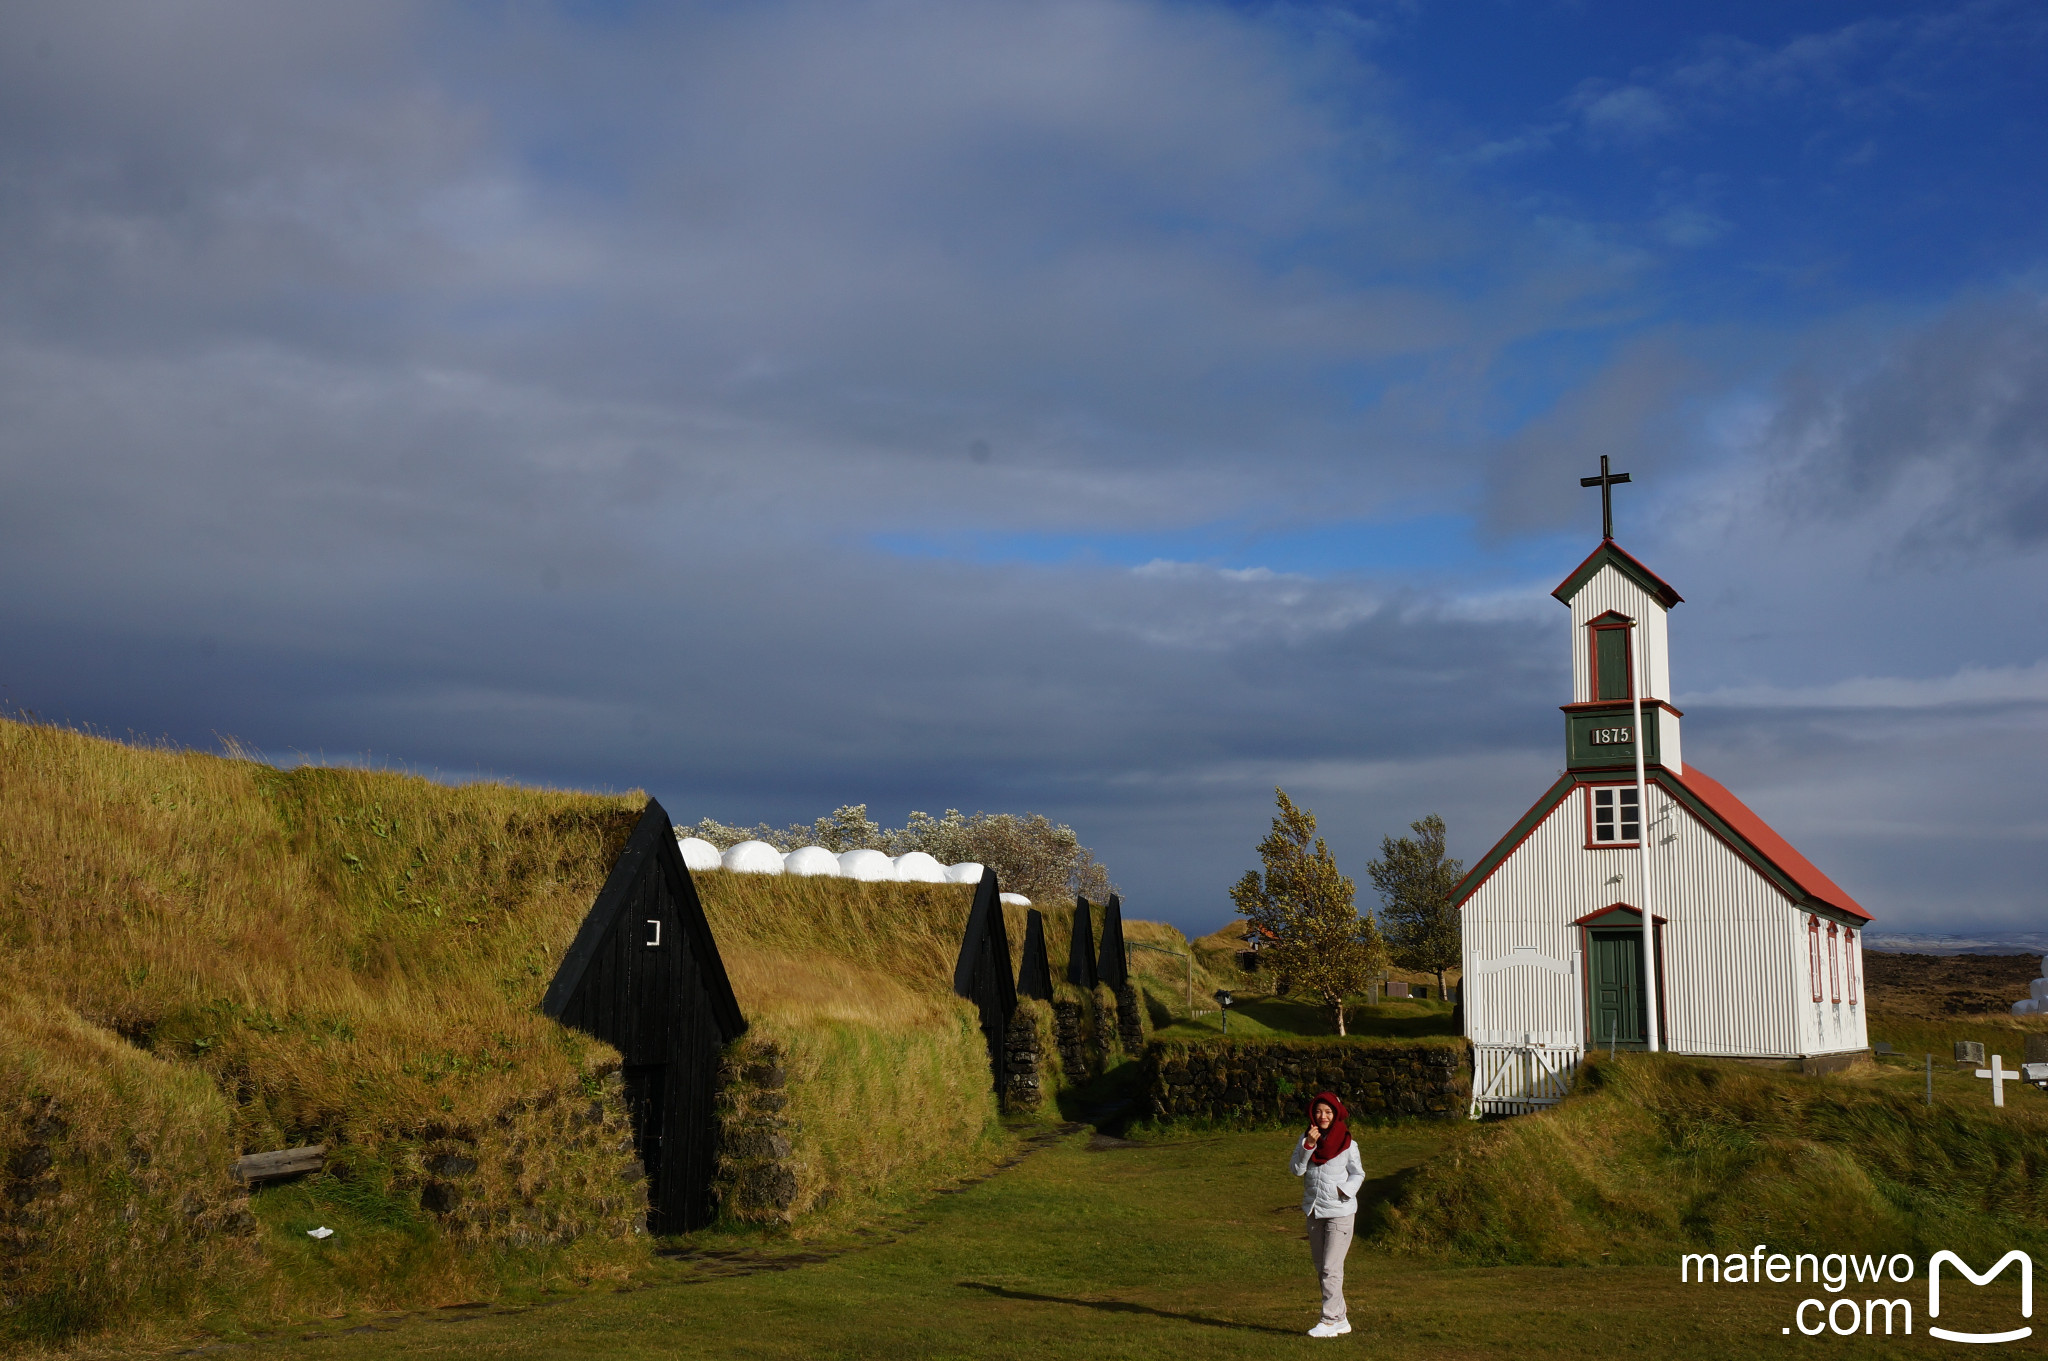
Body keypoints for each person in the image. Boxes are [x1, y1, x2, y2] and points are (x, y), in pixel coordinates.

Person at [1289, 1091, 1365, 1338]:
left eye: (1328, 1112)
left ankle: (1329, 1321)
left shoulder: (1348, 1144)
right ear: (1313, 1113)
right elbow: (1296, 1170)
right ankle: (1341, 1318)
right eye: (1319, 1111)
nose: (1323, 1116)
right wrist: (1308, 1147)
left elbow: (1358, 1174)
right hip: (1314, 1210)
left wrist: (1344, 1191)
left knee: (1332, 1268)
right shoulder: (1305, 1139)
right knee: (1323, 1267)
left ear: (1336, 1115)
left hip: (1340, 1211)